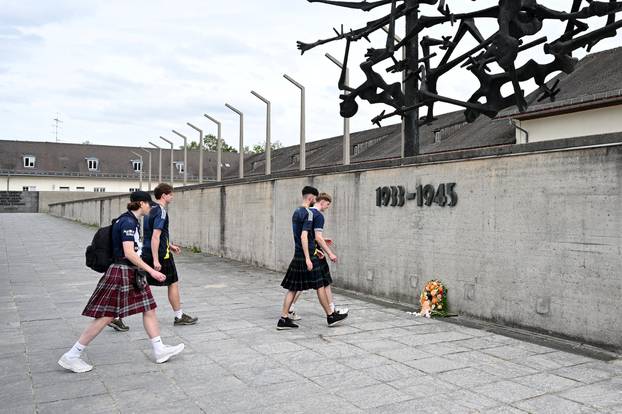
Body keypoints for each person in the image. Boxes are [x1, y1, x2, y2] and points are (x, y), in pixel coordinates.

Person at [58, 191, 184, 373]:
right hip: (122, 272)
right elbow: (129, 252)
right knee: (106, 316)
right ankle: (72, 355)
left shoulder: (129, 220)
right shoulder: (127, 222)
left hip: (131, 272)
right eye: (149, 204)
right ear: (141, 204)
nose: (151, 206)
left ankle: (159, 350)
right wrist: (151, 271)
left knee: (149, 308)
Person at [277, 186, 348, 330]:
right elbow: (304, 236)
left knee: (293, 288)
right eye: (314, 199)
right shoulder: (309, 213)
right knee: (320, 285)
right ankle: (330, 315)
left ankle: (283, 319)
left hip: (298, 253)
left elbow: (306, 236)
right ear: (311, 198)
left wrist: (315, 247)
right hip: (306, 255)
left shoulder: (296, 212)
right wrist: (309, 257)